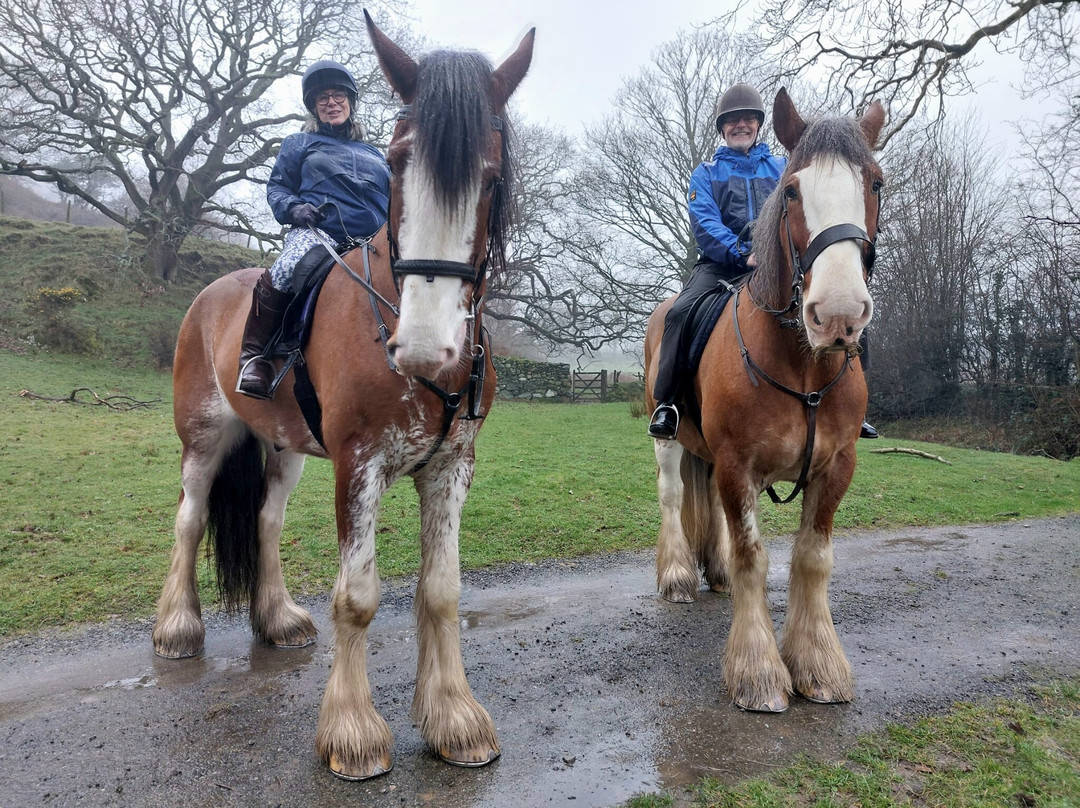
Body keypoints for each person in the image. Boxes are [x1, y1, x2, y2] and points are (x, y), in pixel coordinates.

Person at [237, 60, 392, 399]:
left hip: (374, 242)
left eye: (338, 95)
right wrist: (294, 208)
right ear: (314, 108)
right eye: (322, 98)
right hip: (320, 234)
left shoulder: (377, 156)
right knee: (287, 266)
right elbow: (277, 188)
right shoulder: (298, 144)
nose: (331, 103)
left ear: (350, 101)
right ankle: (256, 359)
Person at [648, 83, 785, 439]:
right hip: (720, 265)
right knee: (679, 313)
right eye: (733, 121)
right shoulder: (706, 173)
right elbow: (705, 224)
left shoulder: (783, 168)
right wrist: (742, 253)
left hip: (776, 265)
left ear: (758, 124)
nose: (741, 125)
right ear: (723, 129)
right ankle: (668, 403)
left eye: (748, 119)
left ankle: (850, 407)